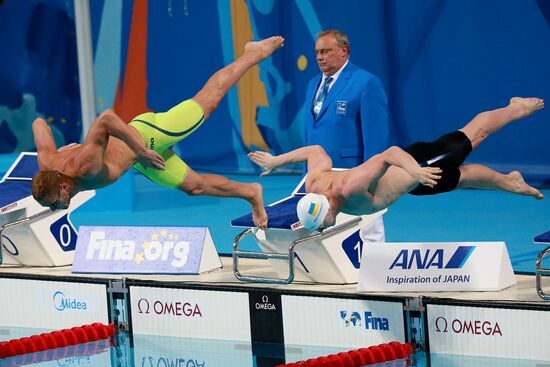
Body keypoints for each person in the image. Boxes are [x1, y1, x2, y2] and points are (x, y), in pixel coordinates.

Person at [31, 36, 286, 229]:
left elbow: (106, 118)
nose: (56, 208)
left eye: (55, 202)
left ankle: (254, 53)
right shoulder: (47, 165)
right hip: (139, 161)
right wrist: (66, 147)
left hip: (147, 137)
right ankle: (251, 192)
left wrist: (142, 151)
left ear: (63, 185)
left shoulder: (85, 166)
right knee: (194, 188)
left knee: (207, 101)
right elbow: (38, 123)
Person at [249, 97, 545, 230]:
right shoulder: (314, 184)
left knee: (472, 136)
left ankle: (514, 108)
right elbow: (315, 150)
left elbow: (388, 153)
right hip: (412, 184)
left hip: (417, 164)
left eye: (321, 226)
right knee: (462, 178)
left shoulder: (350, 187)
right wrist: (277, 160)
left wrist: (415, 169)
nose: (323, 228)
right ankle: (510, 182)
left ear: (326, 212)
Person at [304, 29, 389, 242]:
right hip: (319, 175)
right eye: (317, 53)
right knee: (325, 233)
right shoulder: (312, 84)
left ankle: (375, 265)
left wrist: (372, 175)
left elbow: (376, 136)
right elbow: (312, 131)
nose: (320, 57)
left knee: (367, 228)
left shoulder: (366, 83)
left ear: (344, 51)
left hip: (352, 173)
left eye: (326, 51)